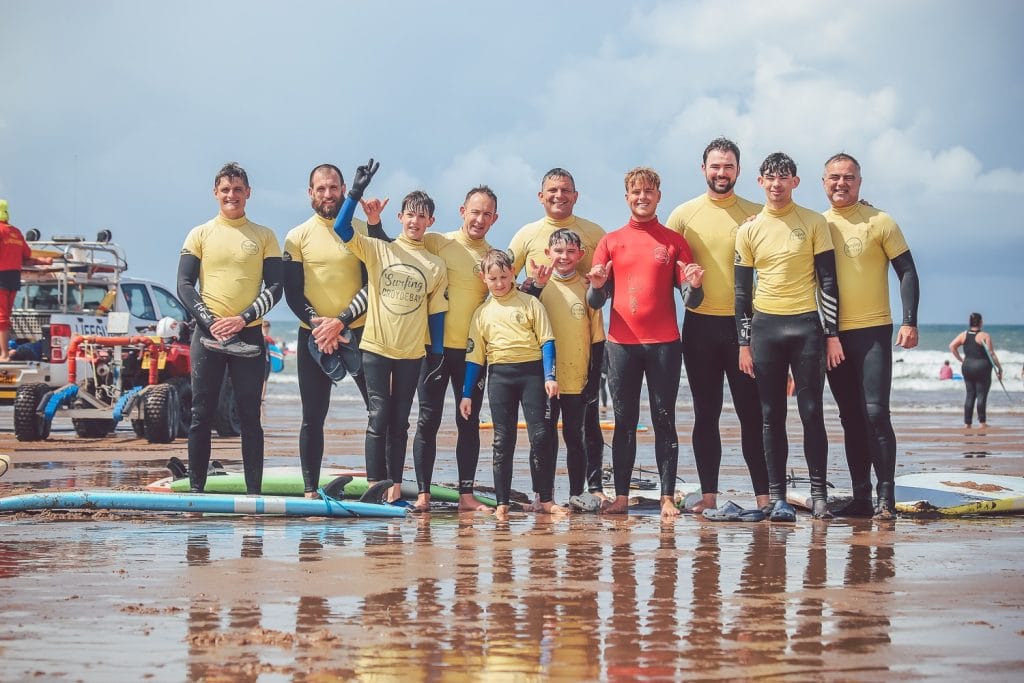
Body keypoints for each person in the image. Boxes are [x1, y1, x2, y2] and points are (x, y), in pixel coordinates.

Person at [587, 167, 704, 519]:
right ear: (627, 197)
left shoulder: (673, 241)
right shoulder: (611, 241)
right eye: (636, 192)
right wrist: (595, 284)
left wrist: (695, 286)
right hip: (621, 344)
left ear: (658, 196)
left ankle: (667, 497)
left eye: (648, 192)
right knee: (624, 421)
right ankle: (621, 496)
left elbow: (690, 300)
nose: (642, 197)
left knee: (664, 419)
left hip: (665, 344)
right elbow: (596, 300)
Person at [734, 152, 844, 521]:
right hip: (766, 329)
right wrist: (744, 344)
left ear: (795, 182)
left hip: (807, 328)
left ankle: (819, 496)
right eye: (770, 177)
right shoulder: (748, 229)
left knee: (812, 413)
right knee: (770, 415)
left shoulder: (813, 222)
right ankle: (778, 497)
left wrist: (832, 335)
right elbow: (741, 295)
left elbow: (827, 281)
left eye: (784, 177)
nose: (777, 184)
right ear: (760, 182)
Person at [333, 161, 448, 506]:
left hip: (412, 352)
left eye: (422, 216)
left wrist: (438, 354)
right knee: (378, 416)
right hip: (376, 346)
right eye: (410, 215)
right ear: (400, 217)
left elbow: (437, 313)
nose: (415, 221)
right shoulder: (378, 248)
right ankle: (374, 488)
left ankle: (395, 489)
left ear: (431, 222)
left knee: (400, 422)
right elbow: (341, 228)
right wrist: (354, 192)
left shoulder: (435, 264)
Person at [665, 138, 770, 515]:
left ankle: (763, 496)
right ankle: (708, 496)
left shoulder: (758, 213)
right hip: (700, 329)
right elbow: (667, 273)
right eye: (715, 166)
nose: (721, 173)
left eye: (728, 166)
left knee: (751, 414)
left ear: (739, 171)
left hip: (746, 329)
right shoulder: (682, 215)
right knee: (705, 413)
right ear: (703, 169)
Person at [821, 152, 920, 519]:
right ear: (823, 182)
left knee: (875, 413)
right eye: (834, 177)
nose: (841, 183)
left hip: (874, 331)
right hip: (832, 335)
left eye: (848, 177)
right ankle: (861, 496)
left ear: (859, 182)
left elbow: (907, 271)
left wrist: (910, 320)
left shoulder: (880, 221)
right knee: (849, 417)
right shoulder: (818, 224)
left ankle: (886, 497)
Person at [177, 162, 283, 494]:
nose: (231, 195)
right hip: (207, 336)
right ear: (215, 193)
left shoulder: (264, 235)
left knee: (250, 417)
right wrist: (210, 321)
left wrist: (242, 317)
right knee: (201, 414)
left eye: (238, 189)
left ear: (248, 193)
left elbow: (276, 287)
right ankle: (197, 491)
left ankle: (254, 493)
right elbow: (183, 284)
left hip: (248, 335)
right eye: (225, 189)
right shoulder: (200, 233)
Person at [283, 163, 385, 498]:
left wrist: (339, 321)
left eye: (334, 188)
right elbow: (293, 293)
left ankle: (380, 484)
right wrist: (320, 326)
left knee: (377, 410)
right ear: (310, 193)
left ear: (343, 189)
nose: (328, 195)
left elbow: (373, 285)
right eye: (321, 189)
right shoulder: (296, 237)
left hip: (358, 332)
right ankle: (310, 489)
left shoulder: (358, 230)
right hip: (312, 336)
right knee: (313, 415)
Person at [508, 168, 608, 503]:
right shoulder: (526, 236)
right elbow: (506, 283)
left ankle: (586, 492)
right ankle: (544, 496)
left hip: (579, 371)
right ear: (541, 195)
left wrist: (597, 375)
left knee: (581, 435)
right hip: (542, 371)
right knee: (543, 436)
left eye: (565, 190)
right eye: (551, 190)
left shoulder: (593, 234)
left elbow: (603, 293)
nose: (558, 195)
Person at [410, 186, 499, 512]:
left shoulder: (491, 257)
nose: (479, 219)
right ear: (462, 211)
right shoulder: (437, 241)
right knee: (427, 421)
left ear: (494, 218)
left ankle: (466, 495)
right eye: (474, 211)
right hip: (433, 351)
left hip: (472, 354)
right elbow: (401, 250)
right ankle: (423, 494)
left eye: (486, 213)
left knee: (469, 422)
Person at [459, 249, 563, 520]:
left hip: (532, 376)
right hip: (500, 377)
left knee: (540, 436)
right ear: (484, 278)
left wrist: (550, 377)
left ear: (513, 275)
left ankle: (547, 499)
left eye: (505, 277)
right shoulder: (481, 314)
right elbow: (474, 358)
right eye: (493, 278)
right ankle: (502, 502)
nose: (500, 283)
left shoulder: (530, 304)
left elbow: (547, 341)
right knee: (502, 441)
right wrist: (466, 394)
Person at [525, 228, 606, 511]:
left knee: (575, 437)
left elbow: (598, 339)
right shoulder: (538, 287)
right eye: (558, 251)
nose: (564, 257)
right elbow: (523, 312)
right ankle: (541, 496)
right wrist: (535, 285)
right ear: (548, 253)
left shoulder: (587, 289)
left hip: (577, 378)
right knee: (542, 439)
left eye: (571, 252)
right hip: (543, 378)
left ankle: (575, 495)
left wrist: (593, 381)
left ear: (580, 256)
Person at [0, 199, 53, 360]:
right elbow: (27, 257)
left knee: (1, 316)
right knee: (5, 316)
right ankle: (5, 351)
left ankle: (3, 354)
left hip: (1, 276)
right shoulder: (16, 232)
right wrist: (43, 261)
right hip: (13, 277)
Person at [949, 312, 1002, 428]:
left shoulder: (964, 335)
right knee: (981, 394)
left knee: (970, 394)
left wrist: (961, 359)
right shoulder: (984, 336)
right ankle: (982, 422)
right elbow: (992, 354)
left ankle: (967, 423)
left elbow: (952, 346)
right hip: (982, 367)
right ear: (981, 322)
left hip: (967, 366)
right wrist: (999, 369)